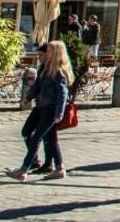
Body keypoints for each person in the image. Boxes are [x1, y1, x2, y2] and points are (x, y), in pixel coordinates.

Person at [7, 41, 72, 182]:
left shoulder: (59, 72)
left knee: (37, 138)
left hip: (51, 110)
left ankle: (24, 170)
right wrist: (28, 98)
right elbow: (37, 86)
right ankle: (59, 169)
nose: (45, 53)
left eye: (48, 51)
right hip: (41, 107)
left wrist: (59, 113)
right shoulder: (45, 69)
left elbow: (63, 94)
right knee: (50, 138)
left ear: (55, 53)